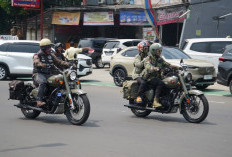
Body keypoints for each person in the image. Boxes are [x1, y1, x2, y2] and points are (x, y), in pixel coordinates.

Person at [33, 38, 70, 107]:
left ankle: (56, 97)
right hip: (38, 74)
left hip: (49, 74)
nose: (49, 49)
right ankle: (39, 101)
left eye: (50, 47)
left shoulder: (51, 55)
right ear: (43, 48)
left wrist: (67, 63)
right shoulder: (37, 55)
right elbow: (36, 62)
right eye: (47, 47)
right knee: (43, 82)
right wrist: (41, 64)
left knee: (59, 81)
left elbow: (58, 61)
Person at [143, 43, 176, 108]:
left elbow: (167, 64)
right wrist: (155, 68)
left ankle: (166, 99)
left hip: (158, 77)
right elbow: (148, 66)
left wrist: (177, 67)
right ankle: (155, 101)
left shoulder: (159, 59)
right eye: (158, 51)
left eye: (160, 50)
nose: (160, 52)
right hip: (149, 78)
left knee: (167, 83)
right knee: (160, 83)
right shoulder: (148, 58)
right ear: (153, 51)